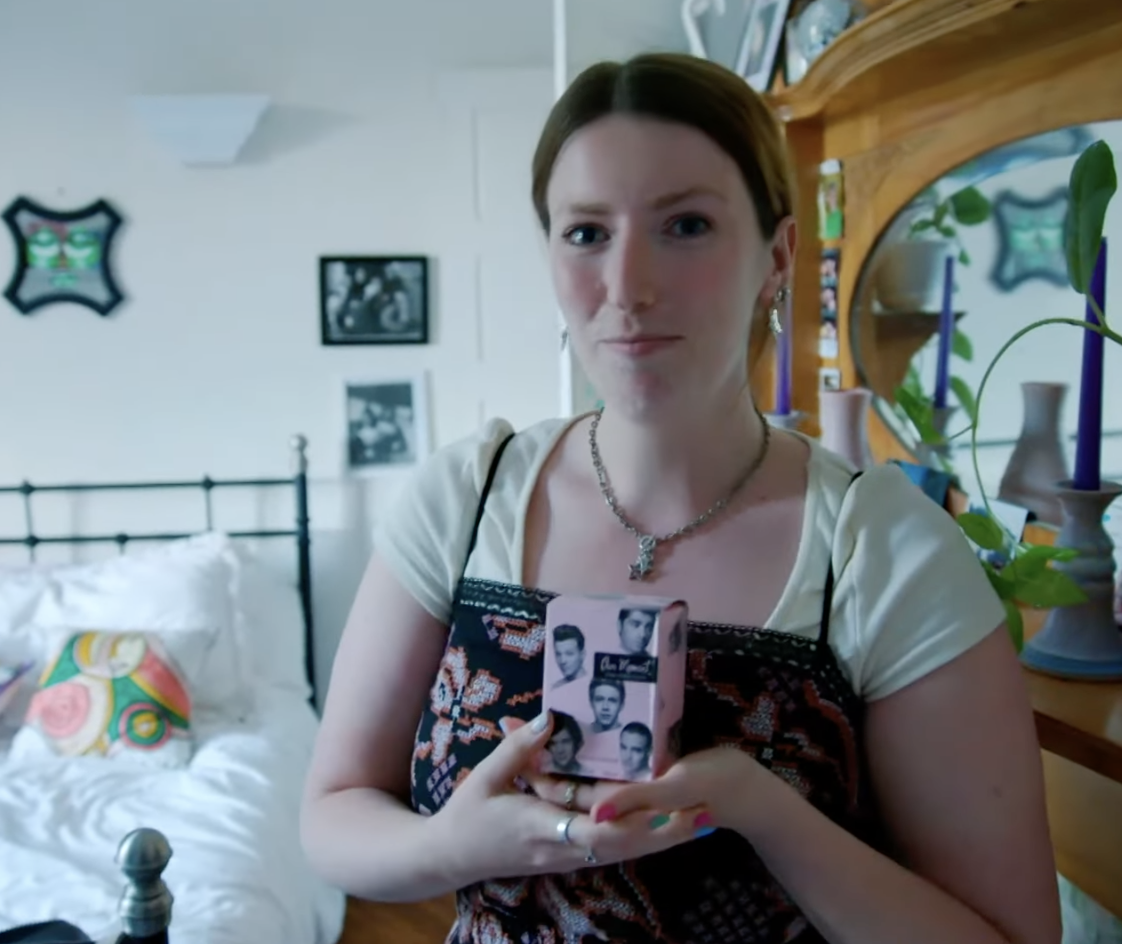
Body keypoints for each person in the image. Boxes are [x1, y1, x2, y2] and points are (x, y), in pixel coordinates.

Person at [301, 51, 1061, 944]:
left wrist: (764, 811)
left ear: (776, 257)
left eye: (687, 225)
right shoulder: (466, 502)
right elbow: (332, 815)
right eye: (586, 233)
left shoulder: (882, 554)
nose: (627, 288)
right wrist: (451, 847)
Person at [549, 624, 588, 688]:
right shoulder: (555, 688)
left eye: (569, 654)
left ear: (582, 654)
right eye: (558, 654)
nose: (562, 661)